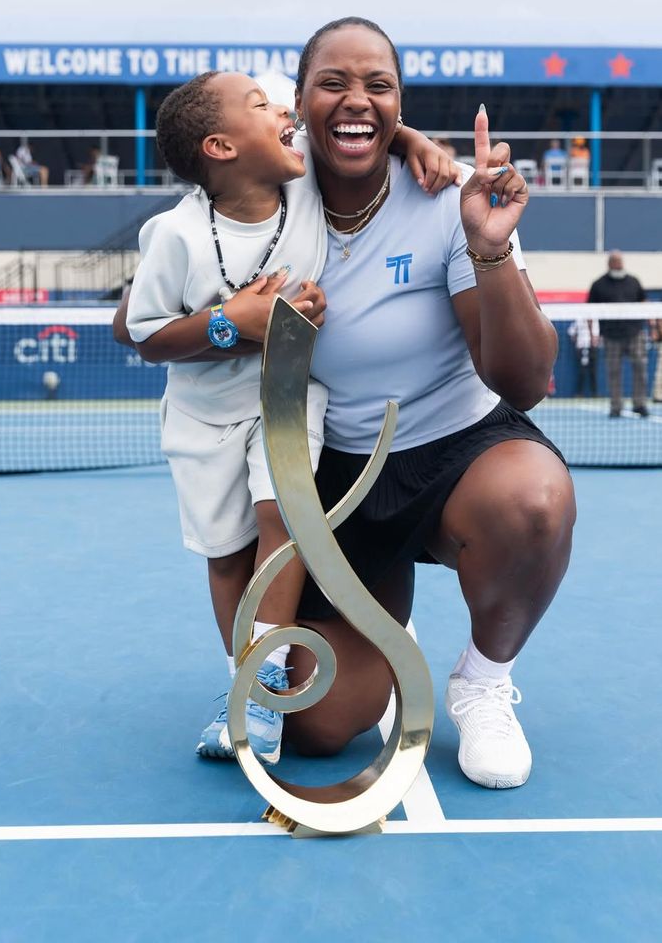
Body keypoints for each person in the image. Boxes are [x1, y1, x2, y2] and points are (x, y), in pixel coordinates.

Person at [117, 70, 457, 766]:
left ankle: (266, 692)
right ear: (220, 146)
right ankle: (244, 677)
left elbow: (360, 138)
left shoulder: (304, 186)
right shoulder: (175, 235)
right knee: (227, 555)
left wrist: (415, 139)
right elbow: (144, 333)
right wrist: (231, 324)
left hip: (290, 398)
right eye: (261, 105)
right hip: (201, 421)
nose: (284, 112)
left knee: (285, 520)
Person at [279, 17, 575, 791]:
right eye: (333, 83)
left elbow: (525, 382)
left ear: (399, 104)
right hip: (338, 476)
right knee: (317, 728)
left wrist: (489, 246)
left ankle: (482, 679)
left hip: (458, 454)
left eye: (379, 86)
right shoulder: (268, 199)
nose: (357, 100)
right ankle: (388, 628)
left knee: (535, 504)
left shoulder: (449, 197)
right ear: (298, 99)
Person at [588, 251, 649, 417]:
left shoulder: (633, 282)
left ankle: (640, 403)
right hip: (611, 336)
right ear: (609, 263)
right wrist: (592, 333)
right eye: (614, 261)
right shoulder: (598, 284)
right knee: (613, 372)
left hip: (635, 333)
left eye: (620, 260)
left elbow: (644, 303)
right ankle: (616, 406)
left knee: (640, 368)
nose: (618, 263)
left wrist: (651, 326)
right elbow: (589, 310)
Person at [567, 316, 600, 396]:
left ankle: (594, 393)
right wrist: (577, 343)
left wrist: (595, 341)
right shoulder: (579, 320)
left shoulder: (595, 320)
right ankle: (579, 393)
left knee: (593, 371)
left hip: (592, 349)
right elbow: (571, 332)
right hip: (582, 348)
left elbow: (597, 334)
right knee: (582, 371)